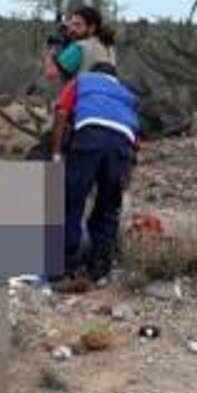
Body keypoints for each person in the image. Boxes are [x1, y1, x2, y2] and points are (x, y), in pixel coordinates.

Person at [56, 60, 141, 286]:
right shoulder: (128, 94)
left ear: (94, 73)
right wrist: (126, 177)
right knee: (108, 208)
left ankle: (66, 269)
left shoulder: (82, 80)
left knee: (71, 203)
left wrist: (56, 152)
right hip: (122, 144)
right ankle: (98, 270)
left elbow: (62, 111)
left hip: (90, 136)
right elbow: (135, 138)